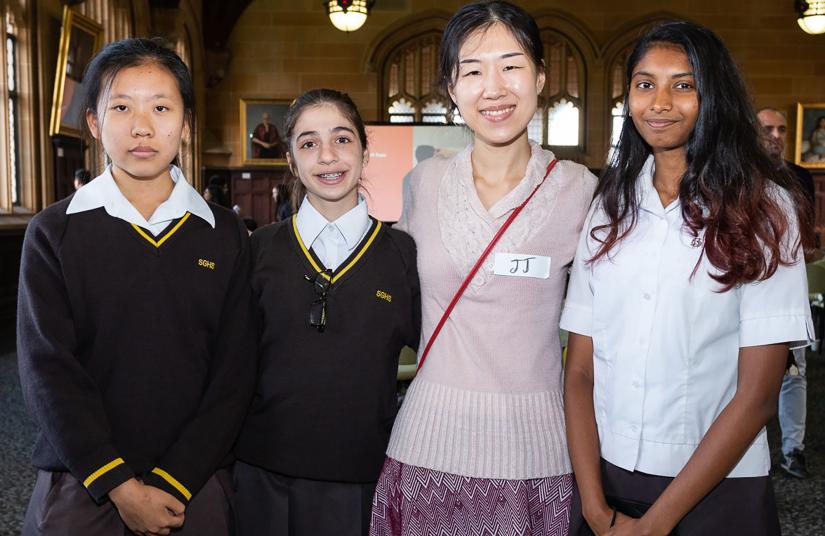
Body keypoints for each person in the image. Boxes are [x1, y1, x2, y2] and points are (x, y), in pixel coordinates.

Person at [562, 22, 813, 536]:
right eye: (644, 83)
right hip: (605, 480)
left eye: (683, 85)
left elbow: (758, 395)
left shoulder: (765, 209)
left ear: (714, 96)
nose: (659, 102)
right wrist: (592, 503)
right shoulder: (607, 209)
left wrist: (654, 526)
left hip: (719, 491)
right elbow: (581, 370)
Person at [370, 2, 597, 535]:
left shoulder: (580, 191)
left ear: (541, 77)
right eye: (472, 71)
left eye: (511, 65)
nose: (493, 88)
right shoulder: (422, 183)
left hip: (536, 453)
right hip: (427, 444)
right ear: (451, 88)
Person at [17, 38, 256, 536]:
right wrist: (120, 485)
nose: (142, 126)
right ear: (95, 123)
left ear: (186, 124)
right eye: (122, 106)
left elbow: (235, 371)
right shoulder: (55, 231)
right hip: (84, 478)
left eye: (161, 107)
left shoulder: (224, 232)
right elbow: (48, 370)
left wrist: (175, 479)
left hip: (195, 481)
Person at [233, 88, 421, 536]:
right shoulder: (257, 250)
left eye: (342, 139)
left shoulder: (402, 253)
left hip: (362, 476)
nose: (328, 157)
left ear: (364, 149)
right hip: (264, 474)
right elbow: (229, 365)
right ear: (292, 160)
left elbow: (437, 357)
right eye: (309, 143)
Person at [757, 106, 815, 479]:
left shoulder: (800, 178)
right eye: (767, 129)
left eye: (781, 129)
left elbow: (807, 232)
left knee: (795, 372)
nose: (775, 136)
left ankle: (793, 449)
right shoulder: (735, 174)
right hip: (746, 284)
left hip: (790, 282)